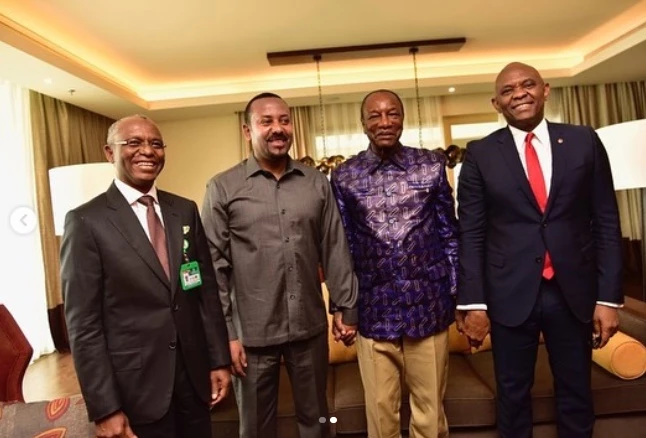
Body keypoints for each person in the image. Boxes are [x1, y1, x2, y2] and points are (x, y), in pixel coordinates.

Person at [456, 62, 623, 438]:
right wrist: (474, 302)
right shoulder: (481, 154)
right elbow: (471, 232)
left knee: (576, 390)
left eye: (527, 85)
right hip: (509, 293)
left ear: (545, 89)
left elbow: (607, 221)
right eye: (508, 91)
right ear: (496, 104)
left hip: (573, 292)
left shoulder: (583, 140)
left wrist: (609, 299)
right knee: (513, 395)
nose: (519, 94)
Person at [61, 115, 231, 438]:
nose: (147, 151)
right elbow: (83, 326)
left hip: (194, 383)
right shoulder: (86, 222)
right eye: (134, 143)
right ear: (110, 153)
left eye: (155, 143)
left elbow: (205, 293)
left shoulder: (185, 210)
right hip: (136, 389)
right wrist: (106, 407)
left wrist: (218, 361)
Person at [201, 92, 358, 438]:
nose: (277, 129)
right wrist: (226, 336)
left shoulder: (316, 182)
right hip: (252, 335)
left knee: (318, 421)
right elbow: (214, 269)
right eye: (266, 121)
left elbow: (334, 247)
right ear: (247, 130)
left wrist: (345, 307)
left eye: (284, 121)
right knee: (255, 428)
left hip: (309, 328)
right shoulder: (223, 188)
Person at [330, 89, 458, 438]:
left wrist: (459, 295)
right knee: (381, 413)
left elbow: (450, 235)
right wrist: (341, 306)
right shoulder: (344, 176)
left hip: (428, 307)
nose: (384, 122)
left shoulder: (431, 165)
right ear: (363, 122)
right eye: (375, 115)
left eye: (392, 114)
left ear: (403, 118)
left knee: (430, 413)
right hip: (373, 311)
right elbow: (342, 246)